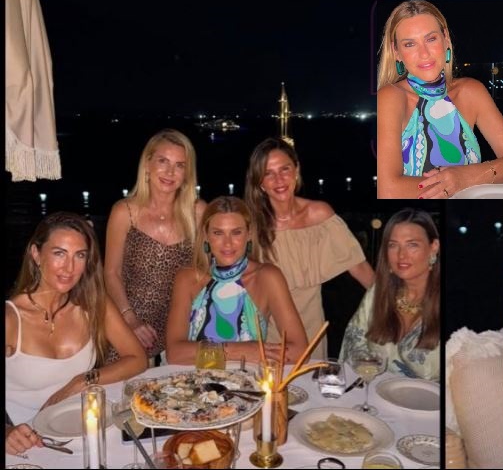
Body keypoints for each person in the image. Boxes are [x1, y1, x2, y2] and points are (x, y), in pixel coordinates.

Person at [6, 212, 147, 456]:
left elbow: (138, 359)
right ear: (36, 254)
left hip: (84, 431)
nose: (69, 267)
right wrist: (7, 431)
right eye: (59, 253)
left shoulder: (94, 305)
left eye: (79, 255)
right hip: (26, 442)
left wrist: (82, 381)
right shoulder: (11, 319)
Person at [376, 0, 503, 199]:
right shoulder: (391, 97)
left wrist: (465, 177)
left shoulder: (471, 91)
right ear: (397, 53)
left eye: (431, 39)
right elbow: (388, 190)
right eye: (410, 44)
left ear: (445, 39)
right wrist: (456, 183)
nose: (424, 53)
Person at [244, 137, 374, 359]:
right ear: (260, 183)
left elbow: (360, 269)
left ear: (296, 170)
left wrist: (396, 308)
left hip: (311, 329)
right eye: (268, 173)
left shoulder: (320, 215)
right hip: (264, 333)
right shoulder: (249, 224)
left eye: (284, 169)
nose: (279, 179)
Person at [166, 196, 308, 365]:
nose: (228, 243)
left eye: (236, 232)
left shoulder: (267, 277)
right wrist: (240, 351)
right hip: (192, 378)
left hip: (247, 380)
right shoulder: (187, 278)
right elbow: (174, 353)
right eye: (218, 233)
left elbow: (300, 352)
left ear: (249, 234)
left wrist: (219, 351)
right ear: (206, 236)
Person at [104, 129, 205, 365]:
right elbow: (111, 273)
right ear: (147, 164)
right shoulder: (124, 212)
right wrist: (130, 320)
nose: (170, 172)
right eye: (163, 161)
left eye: (179, 165)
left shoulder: (198, 212)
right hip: (130, 327)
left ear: (187, 173)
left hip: (181, 331)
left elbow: (212, 266)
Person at [340, 208, 440, 381]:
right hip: (376, 392)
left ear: (433, 247)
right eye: (393, 245)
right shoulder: (379, 293)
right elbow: (353, 346)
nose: (401, 255)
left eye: (412, 245)